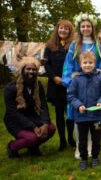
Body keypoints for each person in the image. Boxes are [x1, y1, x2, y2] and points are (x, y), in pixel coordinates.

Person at [62, 13, 101, 159]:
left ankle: (90, 146)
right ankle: (80, 147)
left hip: (94, 85)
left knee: (92, 116)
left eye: (88, 26)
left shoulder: (97, 45)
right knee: (80, 117)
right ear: (79, 27)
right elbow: (68, 63)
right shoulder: (74, 45)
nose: (85, 28)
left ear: (92, 28)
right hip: (79, 84)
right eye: (83, 26)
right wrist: (69, 79)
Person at [3, 57, 55, 159]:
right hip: (15, 121)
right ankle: (12, 147)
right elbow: (13, 113)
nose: (31, 72)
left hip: (32, 117)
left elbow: (43, 106)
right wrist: (33, 127)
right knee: (31, 138)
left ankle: (33, 147)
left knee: (51, 128)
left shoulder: (38, 86)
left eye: (34, 69)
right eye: (28, 69)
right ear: (22, 70)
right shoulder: (10, 88)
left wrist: (44, 124)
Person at [67, 51, 101, 170]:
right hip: (81, 116)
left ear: (94, 64)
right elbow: (71, 95)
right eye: (85, 63)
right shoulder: (76, 79)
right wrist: (78, 105)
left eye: (90, 62)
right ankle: (84, 159)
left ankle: (95, 157)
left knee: (96, 139)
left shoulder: (100, 78)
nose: (87, 65)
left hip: (96, 116)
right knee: (82, 140)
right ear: (81, 64)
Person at [42, 19, 76, 151]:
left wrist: (69, 79)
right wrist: (54, 77)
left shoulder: (73, 45)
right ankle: (62, 140)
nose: (63, 31)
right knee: (59, 113)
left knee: (70, 113)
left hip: (69, 84)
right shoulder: (50, 45)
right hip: (55, 84)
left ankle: (71, 138)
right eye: (61, 28)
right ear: (57, 29)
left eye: (66, 29)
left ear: (70, 31)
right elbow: (46, 64)